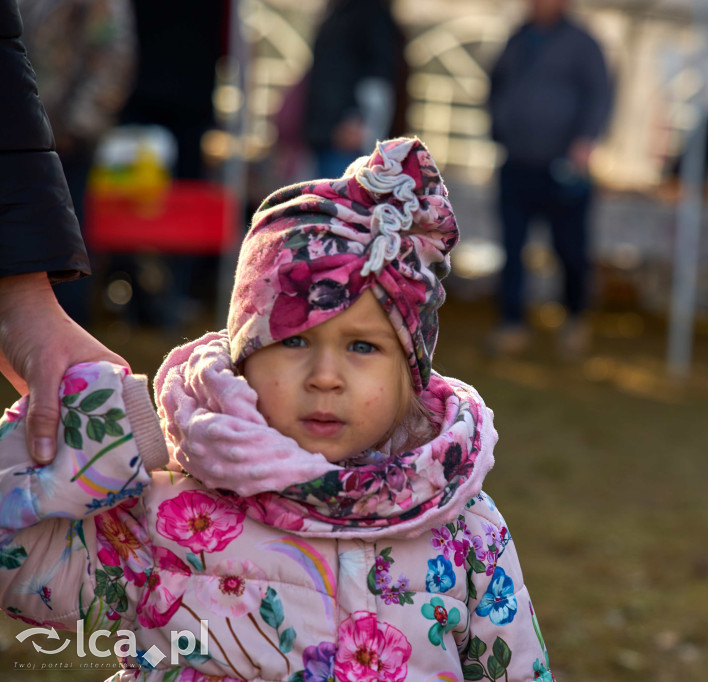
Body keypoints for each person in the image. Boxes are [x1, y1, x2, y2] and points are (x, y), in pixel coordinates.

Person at [0, 137, 555, 682]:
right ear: (242, 361)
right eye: (292, 341)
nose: (325, 377)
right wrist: (93, 433)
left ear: (410, 372)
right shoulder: (170, 510)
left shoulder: (464, 529)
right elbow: (27, 577)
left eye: (363, 346)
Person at [0, 0, 126, 466]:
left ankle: (72, 391)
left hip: (57, 144)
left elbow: (112, 55)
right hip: (30, 149)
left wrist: (77, 124)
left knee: (62, 270)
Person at [487, 0, 613, 356]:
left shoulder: (583, 43)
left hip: (564, 168)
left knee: (570, 249)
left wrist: (586, 140)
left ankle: (574, 319)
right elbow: (496, 84)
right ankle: (511, 323)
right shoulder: (517, 39)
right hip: (517, 163)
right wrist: (499, 126)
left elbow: (601, 94)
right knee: (512, 248)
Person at [17, 0, 136, 327]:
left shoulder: (102, 5)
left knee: (64, 242)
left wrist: (75, 127)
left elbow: (114, 59)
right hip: (19, 137)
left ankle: (66, 332)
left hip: (64, 144)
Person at [304, 0, 402, 179]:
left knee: (344, 197)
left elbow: (378, 78)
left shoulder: (369, 14)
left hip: (346, 137)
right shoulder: (342, 11)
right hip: (326, 132)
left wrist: (361, 121)